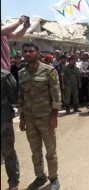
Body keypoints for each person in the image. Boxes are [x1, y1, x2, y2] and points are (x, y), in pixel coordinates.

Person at [18, 42, 61, 190]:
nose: (28, 54)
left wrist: (54, 117)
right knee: (35, 151)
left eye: (31, 51)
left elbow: (56, 95)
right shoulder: (21, 74)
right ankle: (40, 177)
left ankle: (54, 178)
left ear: (38, 53)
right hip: (29, 120)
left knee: (50, 150)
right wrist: (22, 117)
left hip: (46, 118)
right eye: (25, 51)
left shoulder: (49, 71)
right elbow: (21, 97)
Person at [1, 69, 20, 190]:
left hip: (3, 121)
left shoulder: (4, 76)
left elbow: (15, 97)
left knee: (8, 152)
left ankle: (13, 183)